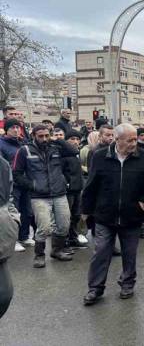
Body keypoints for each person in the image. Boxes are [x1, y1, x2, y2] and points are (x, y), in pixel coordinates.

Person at [82, 124, 144, 305]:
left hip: (132, 216)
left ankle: (127, 284)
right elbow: (91, 184)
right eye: (129, 140)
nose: (134, 143)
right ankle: (95, 288)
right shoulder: (100, 156)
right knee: (101, 252)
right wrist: (86, 210)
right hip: (104, 215)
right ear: (117, 139)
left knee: (129, 253)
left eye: (135, 139)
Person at [12, 124, 78, 268]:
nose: (44, 139)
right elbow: (16, 173)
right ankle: (39, 255)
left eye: (47, 135)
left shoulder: (56, 147)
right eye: (40, 136)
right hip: (39, 196)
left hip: (59, 193)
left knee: (64, 225)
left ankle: (57, 250)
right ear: (34, 136)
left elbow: (73, 151)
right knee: (44, 227)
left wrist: (58, 140)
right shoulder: (24, 150)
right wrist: (33, 186)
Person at [0, 118, 34, 252]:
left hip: (25, 182)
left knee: (27, 211)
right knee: (14, 213)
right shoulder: (1, 144)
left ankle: (24, 236)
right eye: (12, 127)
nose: (15, 130)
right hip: (11, 184)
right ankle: (12, 240)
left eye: (17, 127)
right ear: (6, 129)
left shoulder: (22, 143)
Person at [0, 155, 20, 319]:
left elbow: (8, 199)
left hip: (0, 248)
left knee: (3, 296)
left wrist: (12, 220)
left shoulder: (2, 164)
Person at [63, 129, 87, 250]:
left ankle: (73, 237)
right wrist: (67, 183)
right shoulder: (63, 153)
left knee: (76, 215)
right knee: (67, 216)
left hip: (77, 188)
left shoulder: (76, 153)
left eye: (77, 139)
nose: (75, 141)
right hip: (68, 190)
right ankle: (65, 240)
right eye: (72, 139)